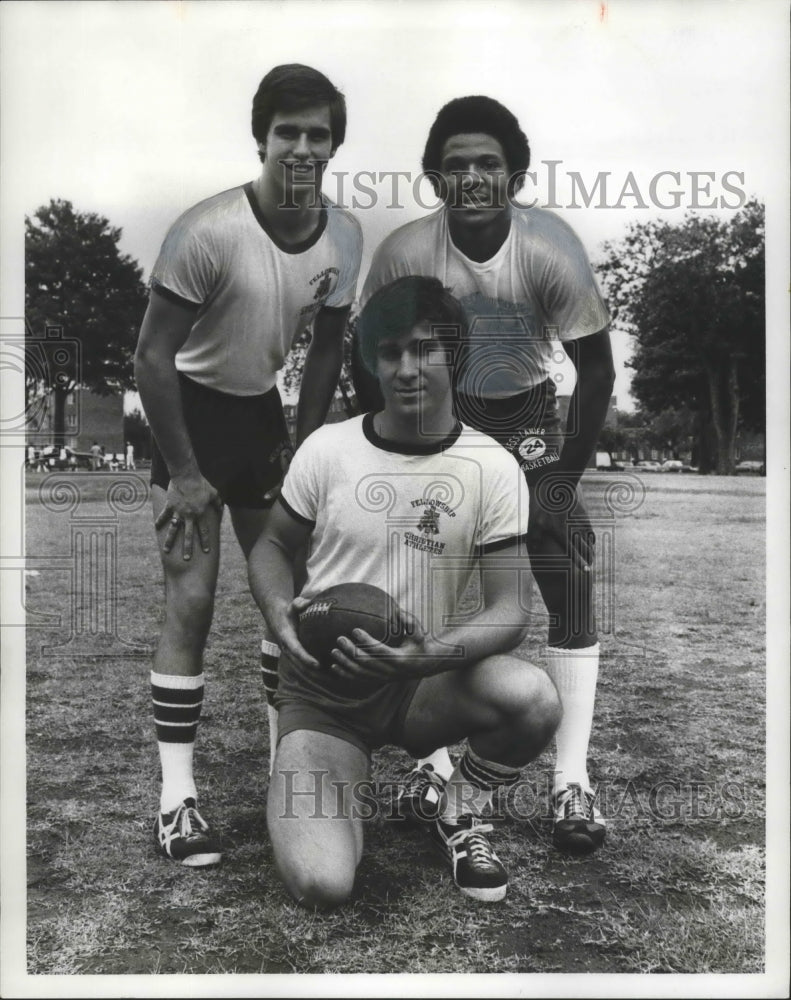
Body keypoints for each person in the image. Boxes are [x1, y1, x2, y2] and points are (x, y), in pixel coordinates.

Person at [354, 96, 615, 854]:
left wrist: (567, 471)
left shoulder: (549, 246)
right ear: (435, 177)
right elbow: (367, 352)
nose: (472, 178)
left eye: (488, 165)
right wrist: (386, 443)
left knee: (563, 571)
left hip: (526, 415)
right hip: (439, 413)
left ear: (515, 176)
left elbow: (593, 369)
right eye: (456, 165)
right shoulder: (404, 249)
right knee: (415, 573)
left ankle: (571, 781)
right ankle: (433, 767)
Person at [248, 276, 560, 907]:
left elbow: (510, 611)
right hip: (326, 686)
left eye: (426, 349)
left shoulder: (492, 466)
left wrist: (426, 656)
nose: (407, 369)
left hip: (422, 681)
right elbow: (272, 546)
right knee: (322, 883)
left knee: (530, 698)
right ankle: (314, 782)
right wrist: (276, 605)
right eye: (390, 352)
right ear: (372, 361)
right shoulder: (328, 449)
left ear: (456, 356)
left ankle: (456, 808)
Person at [134, 63, 362, 867]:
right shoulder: (207, 230)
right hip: (187, 416)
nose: (302, 148)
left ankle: (283, 773)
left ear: (335, 144)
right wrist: (185, 473)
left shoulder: (344, 235)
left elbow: (330, 343)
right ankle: (177, 801)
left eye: (318, 135)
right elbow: (151, 360)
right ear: (261, 138)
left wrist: (302, 441)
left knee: (286, 604)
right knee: (190, 604)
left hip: (262, 416)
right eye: (287, 132)